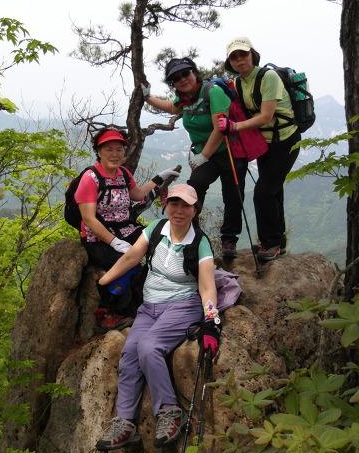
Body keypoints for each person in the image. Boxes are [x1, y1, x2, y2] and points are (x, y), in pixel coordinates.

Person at [94, 183, 221, 451]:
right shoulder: (155, 229)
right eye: (174, 203)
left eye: (186, 205)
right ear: (166, 205)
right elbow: (131, 257)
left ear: (195, 210)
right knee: (130, 353)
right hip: (149, 307)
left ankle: (170, 412)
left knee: (149, 347)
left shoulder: (199, 242)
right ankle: (125, 423)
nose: (179, 210)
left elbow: (207, 286)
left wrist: (211, 322)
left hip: (183, 306)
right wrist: (104, 283)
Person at [76, 127, 180, 331]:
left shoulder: (123, 174)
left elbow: (138, 194)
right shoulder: (90, 177)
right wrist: (114, 242)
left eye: (119, 149)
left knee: (162, 247)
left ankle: (153, 293)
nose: (115, 154)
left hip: (126, 230)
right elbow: (88, 218)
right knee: (129, 263)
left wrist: (160, 177)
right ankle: (104, 313)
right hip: (97, 238)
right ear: (99, 152)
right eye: (109, 149)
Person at [143, 58, 247, 259]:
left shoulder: (213, 92)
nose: (182, 79)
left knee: (233, 195)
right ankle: (193, 234)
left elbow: (220, 128)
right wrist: (148, 97)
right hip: (204, 154)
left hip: (228, 151)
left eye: (186, 73)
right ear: (173, 84)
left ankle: (229, 240)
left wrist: (204, 156)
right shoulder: (184, 99)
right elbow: (171, 107)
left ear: (194, 73)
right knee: (194, 189)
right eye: (176, 78)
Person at [218, 37, 300, 261]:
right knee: (273, 190)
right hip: (267, 143)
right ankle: (277, 241)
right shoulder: (239, 82)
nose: (239, 59)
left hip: (285, 140)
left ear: (252, 55)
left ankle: (270, 243)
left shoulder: (268, 76)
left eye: (243, 54)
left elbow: (266, 116)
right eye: (234, 56)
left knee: (263, 192)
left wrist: (234, 126)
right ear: (230, 62)